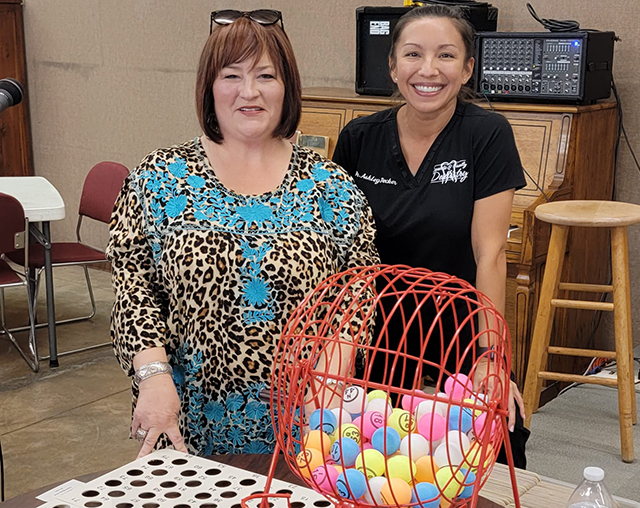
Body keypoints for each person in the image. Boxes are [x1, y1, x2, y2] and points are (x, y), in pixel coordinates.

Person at [107, 9, 378, 458]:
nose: (249, 92)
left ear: (287, 87)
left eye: (266, 76)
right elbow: (133, 287)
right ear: (209, 87)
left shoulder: (331, 185)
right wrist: (152, 375)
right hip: (186, 421)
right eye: (231, 75)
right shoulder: (158, 177)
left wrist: (335, 366)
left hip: (308, 426)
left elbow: (358, 286)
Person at [332, 5, 529, 467]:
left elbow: (491, 253)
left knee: (479, 463)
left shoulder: (488, 134)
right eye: (413, 54)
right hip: (376, 337)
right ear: (393, 67)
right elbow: (340, 257)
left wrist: (491, 356)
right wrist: (339, 347)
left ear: (467, 69)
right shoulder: (359, 138)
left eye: (445, 56)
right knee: (375, 470)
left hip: (460, 330)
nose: (428, 70)